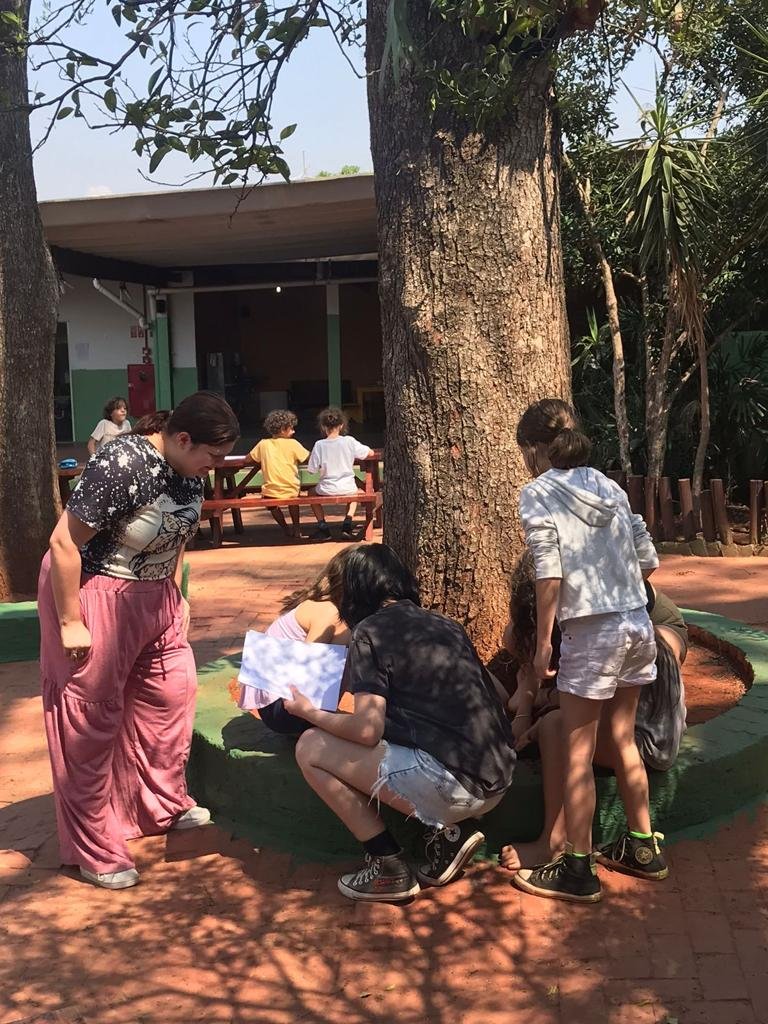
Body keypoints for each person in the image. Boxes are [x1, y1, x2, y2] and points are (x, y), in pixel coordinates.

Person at [39, 391, 240, 891]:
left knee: (171, 695)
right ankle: (93, 847)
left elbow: (179, 533)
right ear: (182, 438)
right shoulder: (123, 462)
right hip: (95, 591)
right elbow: (63, 543)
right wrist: (70, 621)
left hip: (155, 597)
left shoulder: (187, 469)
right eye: (211, 456)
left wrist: (175, 591)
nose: (214, 467)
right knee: (90, 718)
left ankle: (159, 803)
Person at [282, 543, 516, 903]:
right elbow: (498, 693)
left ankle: (387, 865)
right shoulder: (443, 622)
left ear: (354, 591)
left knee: (310, 746)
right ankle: (449, 836)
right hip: (498, 785)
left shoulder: (369, 633)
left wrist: (308, 712)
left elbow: (367, 730)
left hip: (454, 790)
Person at [511, 398, 665, 904]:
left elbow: (548, 572)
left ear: (534, 448)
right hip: (637, 625)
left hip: (592, 632)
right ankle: (643, 847)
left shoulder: (538, 492)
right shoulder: (608, 485)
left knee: (578, 751)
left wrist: (543, 645)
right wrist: (618, 589)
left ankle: (577, 869)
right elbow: (647, 557)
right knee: (622, 738)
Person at [500, 557, 687, 871]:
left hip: (648, 742)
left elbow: (588, 714)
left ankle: (555, 845)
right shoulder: (620, 616)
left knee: (555, 727)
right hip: (657, 733)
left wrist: (535, 712)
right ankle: (642, 844)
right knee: (562, 719)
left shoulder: (594, 638)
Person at [238, 547, 355, 734]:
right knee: (346, 636)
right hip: (285, 706)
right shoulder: (330, 612)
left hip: (272, 702)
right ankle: (323, 719)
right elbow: (309, 671)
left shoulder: (317, 603)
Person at [306, 407, 374, 541]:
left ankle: (323, 527)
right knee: (355, 493)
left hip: (326, 488)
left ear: (323, 427)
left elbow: (311, 470)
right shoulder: (349, 441)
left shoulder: (319, 445)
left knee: (310, 493)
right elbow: (369, 453)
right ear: (341, 425)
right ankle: (347, 524)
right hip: (347, 486)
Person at [248, 409, 310, 538]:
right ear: (283, 429)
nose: (294, 431)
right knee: (294, 502)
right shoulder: (293, 444)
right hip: (292, 489)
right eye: (291, 428)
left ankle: (285, 528)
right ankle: (297, 527)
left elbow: (247, 459)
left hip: (270, 491)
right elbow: (308, 457)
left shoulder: (263, 444)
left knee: (271, 505)